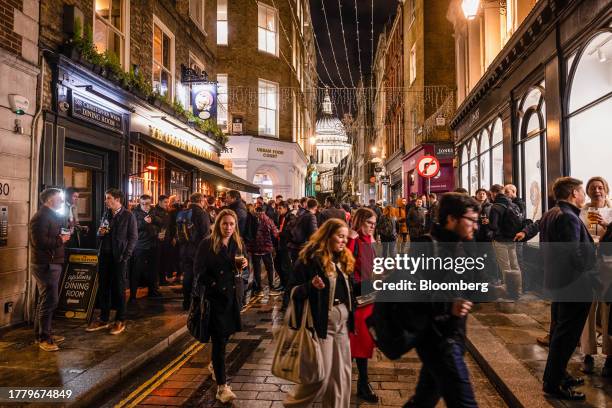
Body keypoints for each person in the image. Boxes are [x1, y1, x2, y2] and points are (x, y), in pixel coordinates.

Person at [401, 192, 479, 407]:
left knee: (423, 400)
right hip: (439, 339)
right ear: (452, 219)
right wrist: (449, 306)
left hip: (453, 333)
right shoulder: (429, 248)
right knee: (465, 403)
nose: (475, 226)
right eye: (470, 220)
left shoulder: (460, 246)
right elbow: (412, 293)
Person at [283, 218, 356, 407]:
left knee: (341, 376)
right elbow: (291, 291)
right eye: (340, 236)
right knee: (318, 377)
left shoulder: (343, 257)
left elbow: (348, 290)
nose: (343, 241)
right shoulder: (309, 259)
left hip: (341, 326)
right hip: (321, 325)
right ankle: (293, 405)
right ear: (327, 235)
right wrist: (309, 286)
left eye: (345, 238)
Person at [541, 177, 596, 400]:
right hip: (574, 284)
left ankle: (557, 375)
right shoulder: (568, 217)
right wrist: (591, 269)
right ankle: (553, 384)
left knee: (560, 334)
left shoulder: (551, 213)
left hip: (558, 282)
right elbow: (574, 254)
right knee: (566, 336)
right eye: (582, 191)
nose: (584, 195)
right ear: (574, 192)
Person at [194, 209, 248, 404]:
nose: (228, 228)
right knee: (219, 342)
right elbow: (199, 272)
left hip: (232, 298)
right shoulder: (207, 244)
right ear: (218, 225)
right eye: (224, 224)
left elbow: (242, 267)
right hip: (215, 299)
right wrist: (215, 285)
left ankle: (215, 365)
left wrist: (244, 266)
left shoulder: (237, 243)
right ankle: (222, 388)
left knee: (225, 337)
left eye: (231, 224)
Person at [87, 188, 137, 335]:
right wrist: (99, 233)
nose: (106, 200)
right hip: (104, 255)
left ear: (117, 199)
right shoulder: (106, 213)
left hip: (119, 257)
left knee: (119, 288)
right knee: (104, 287)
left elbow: (133, 238)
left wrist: (126, 255)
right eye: (106, 198)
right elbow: (99, 232)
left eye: (108, 198)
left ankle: (120, 319)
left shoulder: (128, 215)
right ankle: (103, 318)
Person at [29, 188, 70, 351]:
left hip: (52, 262)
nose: (61, 200)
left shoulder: (52, 215)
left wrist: (63, 235)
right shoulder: (40, 217)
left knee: (46, 299)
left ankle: (43, 333)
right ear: (49, 200)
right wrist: (60, 240)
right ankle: (44, 338)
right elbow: (39, 242)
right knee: (50, 300)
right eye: (59, 197)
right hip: (45, 264)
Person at [579, 177, 611, 375]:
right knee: (587, 308)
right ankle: (588, 353)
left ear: (606, 190)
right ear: (588, 192)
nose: (597, 191)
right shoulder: (582, 212)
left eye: (600, 187)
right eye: (593, 188)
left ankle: (609, 355)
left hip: (609, 265)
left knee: (608, 310)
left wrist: (607, 226)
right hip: (589, 265)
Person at [347, 208, 379, 403]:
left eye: (374, 224)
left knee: (363, 344)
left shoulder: (370, 241)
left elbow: (372, 269)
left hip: (368, 297)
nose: (372, 227)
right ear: (360, 222)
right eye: (369, 223)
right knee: (356, 343)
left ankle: (361, 383)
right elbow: (347, 267)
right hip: (356, 299)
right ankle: (357, 383)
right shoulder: (353, 240)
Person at [177, 192, 211, 310]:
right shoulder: (202, 214)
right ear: (201, 201)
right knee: (198, 275)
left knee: (187, 275)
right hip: (197, 249)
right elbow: (206, 234)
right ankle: (195, 301)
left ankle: (186, 301)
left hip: (184, 248)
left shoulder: (183, 213)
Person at [488, 184, 524, 298]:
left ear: (493, 193)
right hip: (512, 239)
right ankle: (518, 291)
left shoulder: (496, 206)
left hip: (500, 240)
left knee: (505, 267)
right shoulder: (513, 204)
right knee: (515, 265)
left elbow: (493, 226)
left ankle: (509, 292)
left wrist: (488, 225)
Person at [130, 195, 163, 301]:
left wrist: (152, 219)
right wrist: (144, 222)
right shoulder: (135, 212)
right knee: (136, 270)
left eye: (147, 204)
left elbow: (161, 222)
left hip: (154, 244)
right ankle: (133, 294)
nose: (145, 206)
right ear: (140, 203)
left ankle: (153, 291)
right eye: (143, 204)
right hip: (140, 245)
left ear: (151, 203)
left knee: (153, 269)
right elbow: (133, 227)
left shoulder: (154, 211)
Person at [250, 206, 279, 296]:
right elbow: (275, 234)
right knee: (270, 268)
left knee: (257, 269)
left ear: (256, 211)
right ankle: (271, 287)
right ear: (264, 211)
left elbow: (249, 233)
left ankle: (259, 290)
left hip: (255, 248)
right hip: (266, 248)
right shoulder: (269, 220)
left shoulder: (252, 219)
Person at [287, 198, 319, 263]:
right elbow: (314, 234)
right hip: (302, 248)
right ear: (315, 207)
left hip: (294, 246)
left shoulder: (300, 214)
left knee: (296, 268)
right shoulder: (311, 216)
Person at [153, 195, 172, 286]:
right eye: (165, 202)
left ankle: (163, 279)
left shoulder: (167, 211)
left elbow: (169, 226)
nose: (167, 204)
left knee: (165, 260)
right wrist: (157, 233)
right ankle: (156, 281)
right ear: (159, 202)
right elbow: (152, 225)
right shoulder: (154, 211)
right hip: (157, 240)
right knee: (157, 261)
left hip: (166, 239)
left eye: (167, 202)